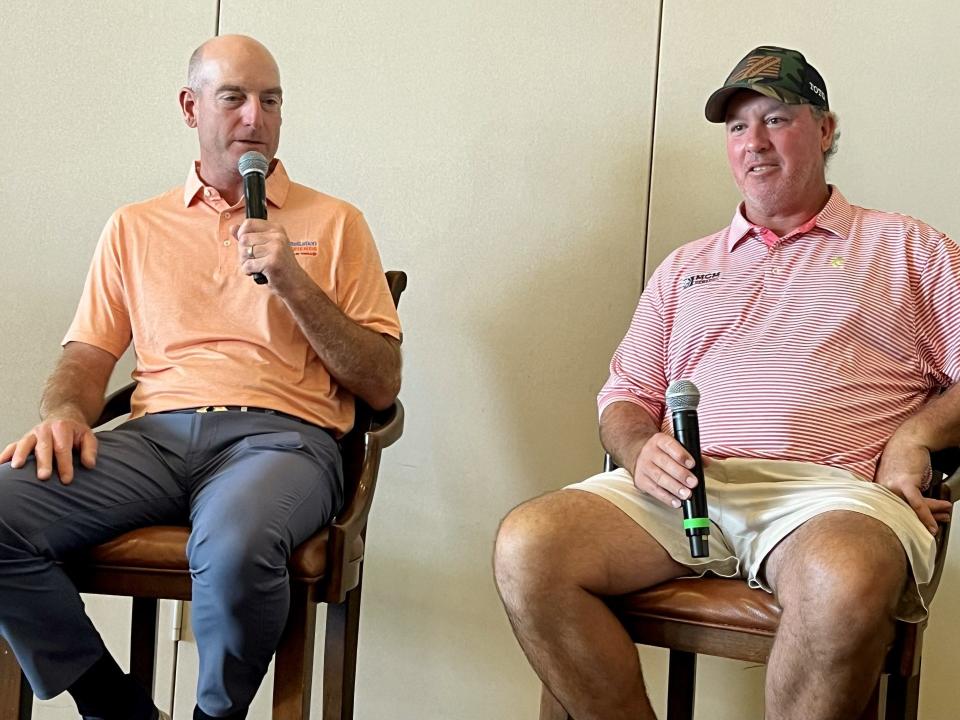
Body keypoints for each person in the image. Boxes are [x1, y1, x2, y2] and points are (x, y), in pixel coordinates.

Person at [494, 45, 957, 720]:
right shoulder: (686, 266)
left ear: (826, 130)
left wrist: (919, 434)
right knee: (529, 546)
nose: (755, 143)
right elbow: (625, 396)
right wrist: (637, 449)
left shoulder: (905, 248)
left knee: (846, 579)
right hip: (685, 493)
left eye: (776, 119)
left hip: (831, 499)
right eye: (739, 127)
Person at [0, 35, 402, 720]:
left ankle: (214, 716)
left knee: (238, 545)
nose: (256, 117)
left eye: (270, 101)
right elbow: (87, 356)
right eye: (234, 98)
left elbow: (382, 383)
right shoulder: (134, 226)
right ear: (191, 107)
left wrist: (292, 282)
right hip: (153, 438)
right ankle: (115, 705)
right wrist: (67, 410)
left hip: (282, 442)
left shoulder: (337, 224)